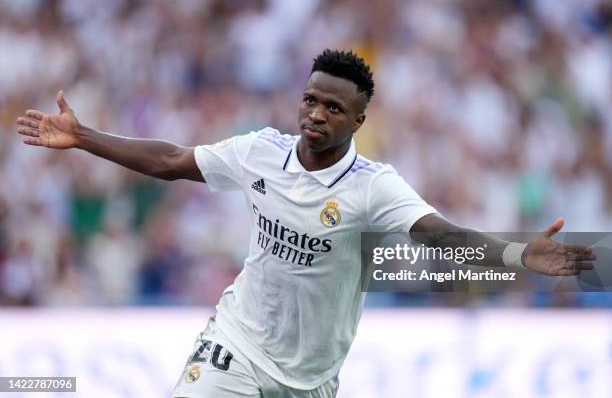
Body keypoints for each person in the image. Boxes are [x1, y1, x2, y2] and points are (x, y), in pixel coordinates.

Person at [16, 49, 595, 397]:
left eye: (334, 107)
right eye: (311, 100)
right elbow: (171, 162)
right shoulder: (260, 152)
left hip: (311, 377)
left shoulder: (374, 186)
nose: (316, 114)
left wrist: (517, 255)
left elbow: (441, 235)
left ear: (359, 119)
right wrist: (84, 137)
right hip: (236, 345)